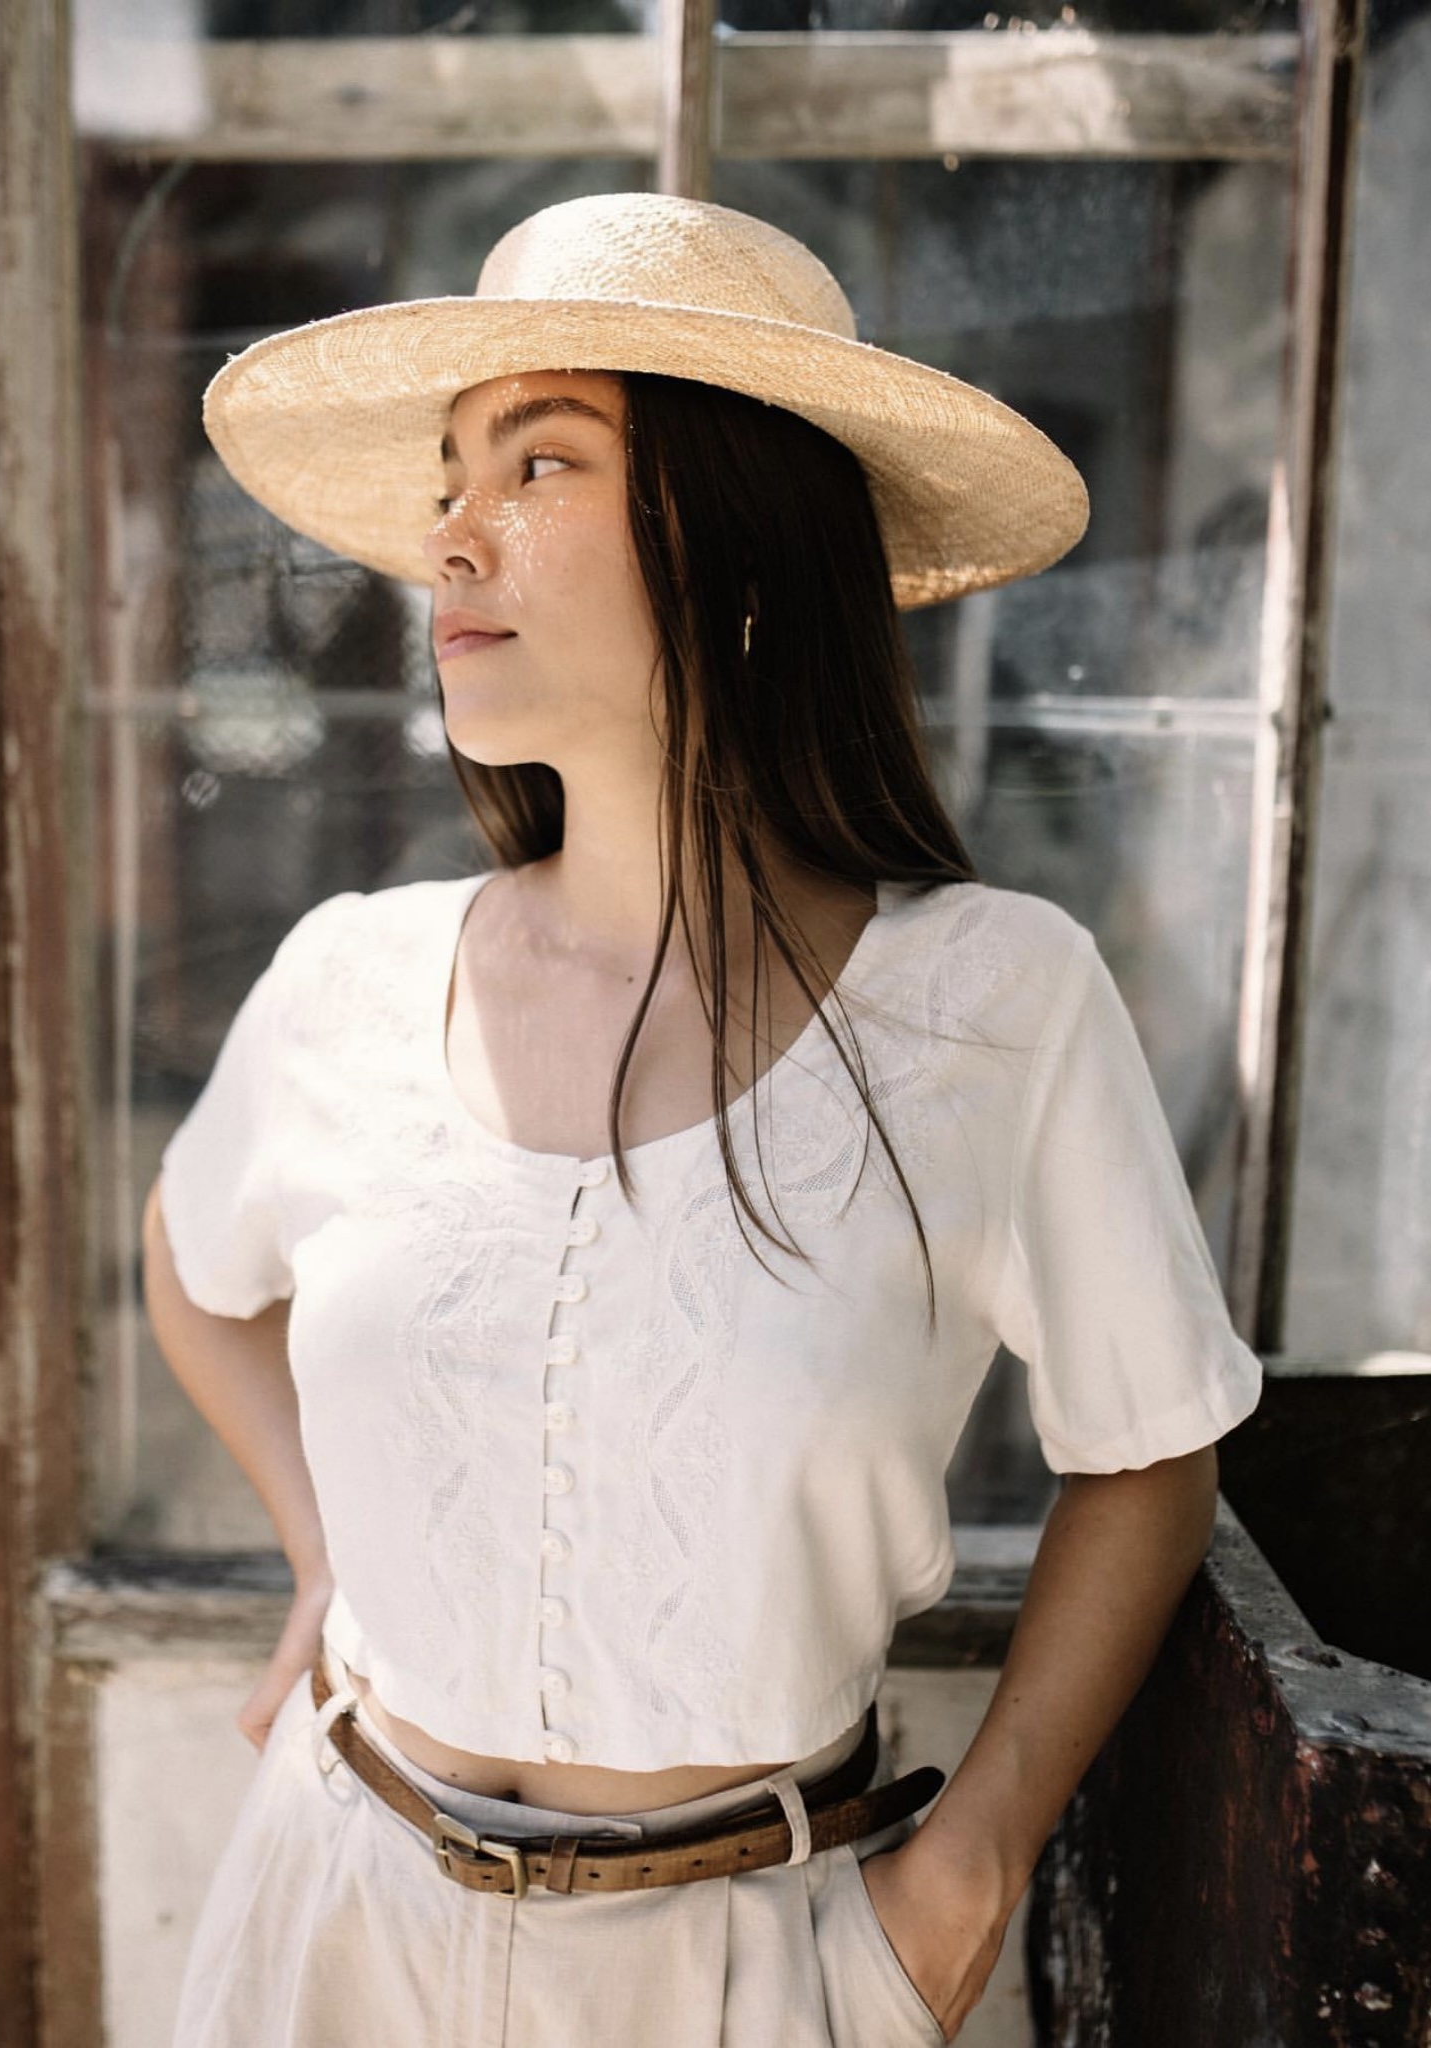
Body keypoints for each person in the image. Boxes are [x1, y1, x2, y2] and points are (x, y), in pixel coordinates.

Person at [143, 191, 1263, 2048]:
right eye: (447, 476)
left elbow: (1149, 1448)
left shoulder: (992, 1001)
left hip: (741, 1962)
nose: (449, 536)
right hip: (333, 1921)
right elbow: (192, 1268)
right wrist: (330, 1554)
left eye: (538, 463)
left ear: (741, 551)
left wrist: (971, 1865)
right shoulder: (349, 978)